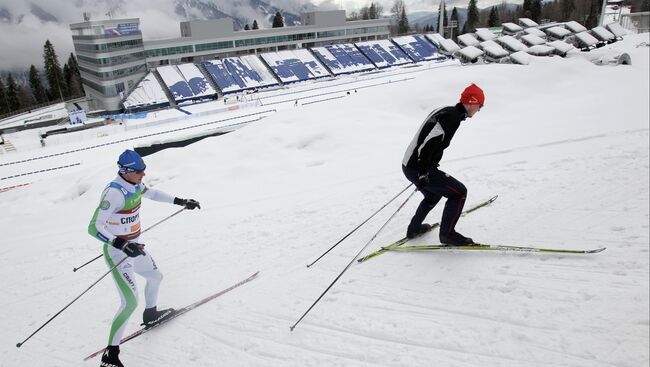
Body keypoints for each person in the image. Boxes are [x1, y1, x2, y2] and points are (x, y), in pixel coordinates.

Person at [88, 149, 200, 367]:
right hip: (118, 252)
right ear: (125, 171)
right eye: (139, 171)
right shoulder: (114, 193)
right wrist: (120, 243)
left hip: (134, 248)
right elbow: (94, 228)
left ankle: (150, 314)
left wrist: (181, 201)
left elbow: (152, 193)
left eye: (144, 169)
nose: (144, 174)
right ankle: (109, 356)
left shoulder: (135, 185)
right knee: (129, 302)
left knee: (156, 277)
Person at [401, 83, 485, 245]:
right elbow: (427, 144)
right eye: (479, 105)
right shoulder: (452, 118)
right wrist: (424, 172)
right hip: (418, 167)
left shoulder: (447, 110)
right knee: (459, 193)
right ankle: (448, 235)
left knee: (433, 195)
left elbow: (430, 141)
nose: (479, 109)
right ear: (471, 102)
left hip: (409, 165)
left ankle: (414, 229)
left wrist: (428, 165)